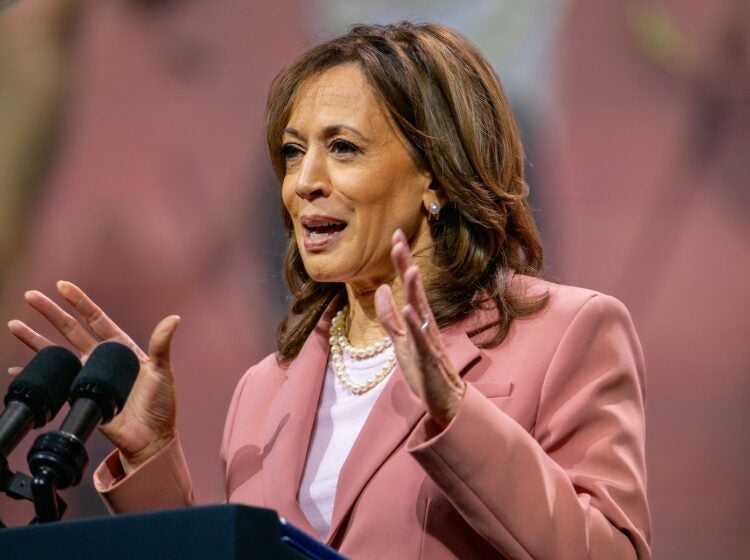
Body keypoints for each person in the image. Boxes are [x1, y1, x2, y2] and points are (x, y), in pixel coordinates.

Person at [7, 22, 651, 560]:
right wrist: (150, 456)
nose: (303, 182)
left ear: (436, 174)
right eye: (292, 153)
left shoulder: (571, 332)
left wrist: (457, 412)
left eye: (342, 148)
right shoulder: (265, 388)